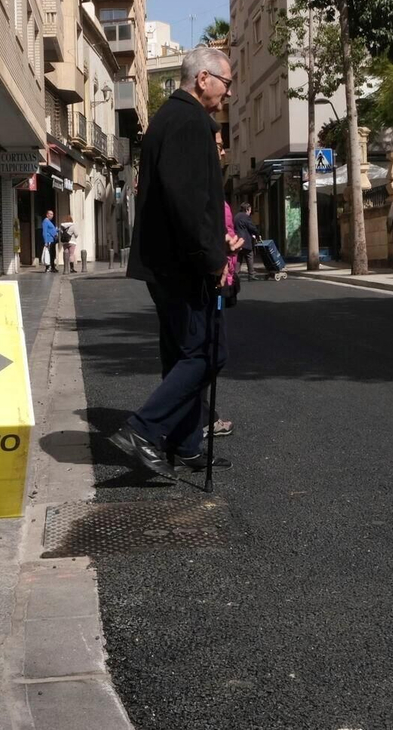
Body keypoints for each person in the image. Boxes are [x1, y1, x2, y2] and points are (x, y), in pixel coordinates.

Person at [112, 47, 236, 477]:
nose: (228, 94)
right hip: (183, 264)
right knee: (205, 354)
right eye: (226, 83)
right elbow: (188, 201)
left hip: (168, 261)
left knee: (182, 352)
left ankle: (184, 443)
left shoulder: (170, 117)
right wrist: (210, 257)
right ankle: (143, 431)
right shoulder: (190, 121)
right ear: (203, 79)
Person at [233, 203, 260, 280]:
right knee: (249, 256)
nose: (250, 212)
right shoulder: (246, 217)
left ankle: (235, 274)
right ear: (247, 209)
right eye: (250, 210)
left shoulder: (236, 216)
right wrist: (257, 234)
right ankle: (251, 274)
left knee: (239, 257)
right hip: (245, 241)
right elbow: (252, 228)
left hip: (237, 240)